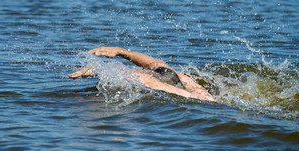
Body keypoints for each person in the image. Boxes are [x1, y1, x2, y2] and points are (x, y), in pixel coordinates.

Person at [69, 47, 217, 102]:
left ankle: (120, 52)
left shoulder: (189, 92)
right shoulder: (188, 85)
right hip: (186, 89)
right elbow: (154, 66)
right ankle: (120, 51)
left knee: (156, 73)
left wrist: (99, 69)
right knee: (161, 70)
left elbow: (146, 76)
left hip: (182, 89)